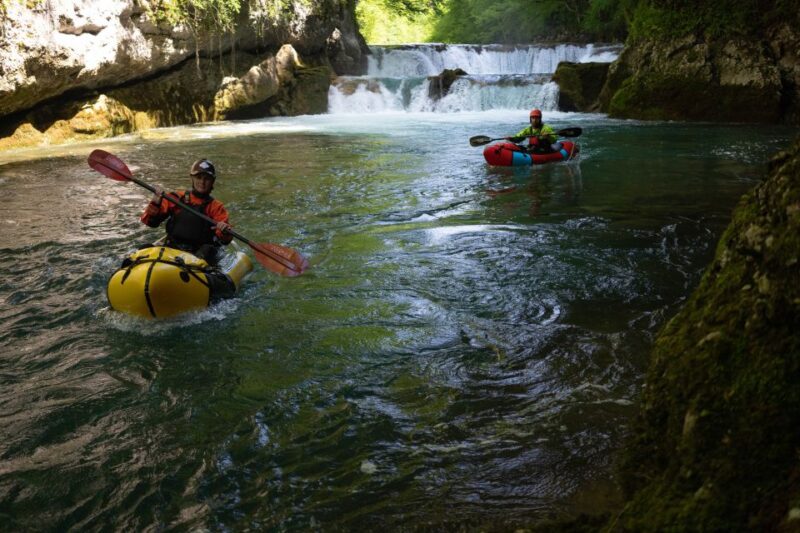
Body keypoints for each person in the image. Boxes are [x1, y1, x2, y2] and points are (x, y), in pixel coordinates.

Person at [140, 158, 233, 265]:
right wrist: (155, 204)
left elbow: (225, 240)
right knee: (144, 248)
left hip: (199, 254)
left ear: (212, 181)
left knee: (208, 250)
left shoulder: (216, 207)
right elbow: (151, 222)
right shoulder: (176, 198)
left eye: (206, 179)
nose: (202, 182)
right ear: (192, 178)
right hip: (172, 249)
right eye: (198, 177)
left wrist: (224, 230)